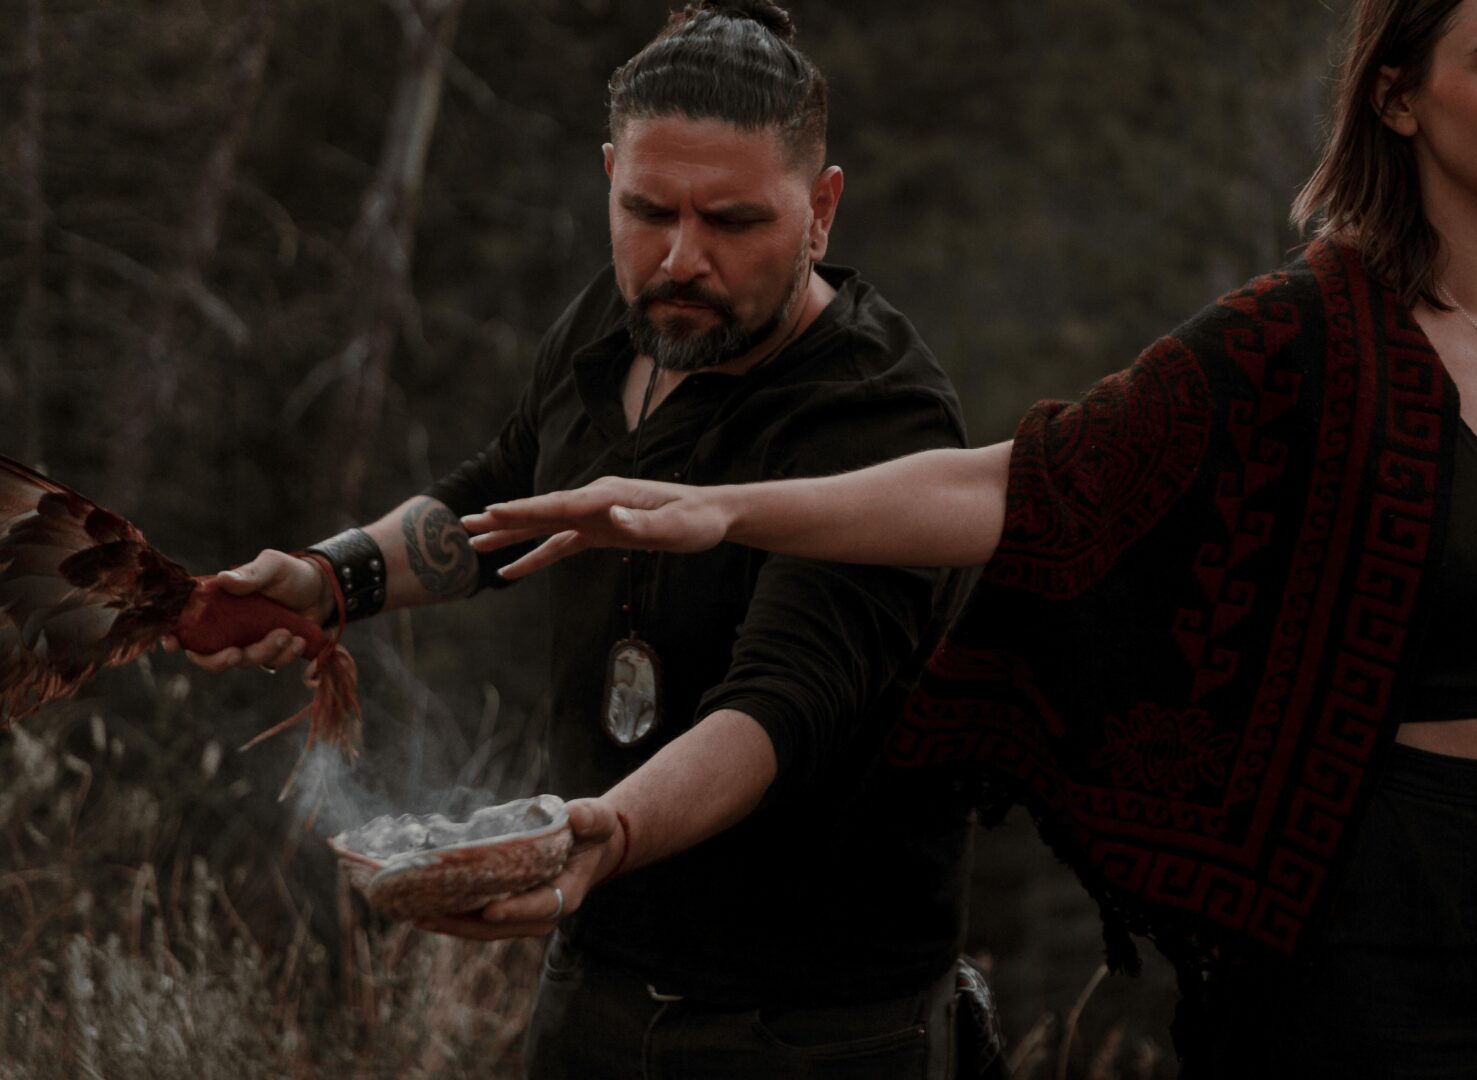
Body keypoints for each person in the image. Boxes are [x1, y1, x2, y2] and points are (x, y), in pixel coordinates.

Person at [459, 0, 1477, 1075]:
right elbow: (1025, 483)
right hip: (1371, 946)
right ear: (1396, 95)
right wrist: (730, 510)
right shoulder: (1304, 339)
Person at [175, 3, 985, 1076]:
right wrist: (331, 578)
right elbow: (509, 487)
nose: (681, 259)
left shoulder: (877, 417)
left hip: (816, 1027)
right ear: (610, 177)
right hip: (595, 979)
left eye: (733, 222)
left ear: (821, 209)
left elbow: (780, 706)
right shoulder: (624, 320)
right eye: (646, 210)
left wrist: (607, 834)